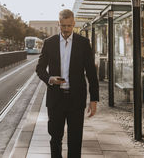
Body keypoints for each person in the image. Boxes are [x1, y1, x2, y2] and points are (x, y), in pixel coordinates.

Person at [36, 9, 99, 158]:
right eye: (63, 26)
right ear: (58, 24)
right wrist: (50, 79)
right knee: (55, 139)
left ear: (74, 24)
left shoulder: (83, 43)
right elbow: (39, 69)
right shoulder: (49, 43)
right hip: (55, 100)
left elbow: (91, 72)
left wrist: (94, 99)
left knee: (75, 141)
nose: (66, 29)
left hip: (76, 99)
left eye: (69, 26)